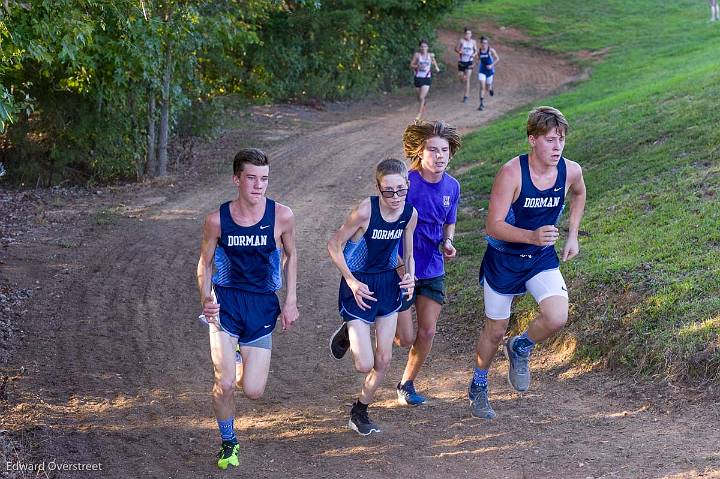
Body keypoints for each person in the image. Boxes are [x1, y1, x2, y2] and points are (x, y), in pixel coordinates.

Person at [468, 106, 586, 420]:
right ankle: (479, 384)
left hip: (539, 259)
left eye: (561, 139)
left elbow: (579, 192)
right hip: (503, 260)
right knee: (494, 331)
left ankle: (521, 346)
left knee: (557, 316)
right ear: (532, 139)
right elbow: (493, 225)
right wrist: (532, 236)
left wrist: (572, 234)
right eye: (549, 140)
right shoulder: (512, 173)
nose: (557, 146)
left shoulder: (570, 170)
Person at [196, 148, 299, 469]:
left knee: (253, 390)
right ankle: (228, 442)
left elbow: (292, 255)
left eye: (264, 179)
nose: (258, 185)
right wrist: (205, 299)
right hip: (225, 306)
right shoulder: (216, 220)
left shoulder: (282, 216)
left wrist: (291, 300)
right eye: (251, 178)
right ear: (236, 179)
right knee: (224, 384)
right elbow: (204, 263)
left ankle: (239, 359)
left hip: (262, 306)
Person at [327, 158, 417, 435]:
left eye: (401, 190)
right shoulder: (365, 211)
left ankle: (359, 411)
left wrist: (410, 277)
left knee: (384, 359)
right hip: (360, 285)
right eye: (388, 191)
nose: (395, 197)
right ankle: (347, 330)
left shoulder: (409, 214)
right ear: (378, 189)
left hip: (388, 284)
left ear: (407, 186)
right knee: (363, 363)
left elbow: (409, 253)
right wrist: (351, 281)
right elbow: (334, 244)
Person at [394, 120, 462, 406]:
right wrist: (396, 265)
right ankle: (356, 324)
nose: (439, 156)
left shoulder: (452, 186)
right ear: (419, 152)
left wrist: (448, 242)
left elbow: (449, 223)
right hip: (400, 265)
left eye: (444, 150)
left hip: (433, 266)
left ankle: (406, 384)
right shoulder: (406, 184)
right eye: (432, 150)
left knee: (428, 330)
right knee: (404, 339)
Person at [410, 39, 440, 121]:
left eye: (425, 47)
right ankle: (423, 104)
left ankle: (419, 115)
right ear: (420, 47)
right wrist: (417, 67)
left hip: (426, 78)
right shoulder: (417, 55)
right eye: (422, 47)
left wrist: (436, 67)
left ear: (428, 47)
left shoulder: (430, 55)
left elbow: (434, 62)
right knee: (418, 98)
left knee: (421, 96)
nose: (423, 48)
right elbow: (411, 65)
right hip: (417, 77)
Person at [477, 36, 500, 111]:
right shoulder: (479, 51)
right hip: (482, 71)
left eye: (485, 43)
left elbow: (497, 59)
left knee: (487, 87)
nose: (484, 44)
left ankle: (490, 88)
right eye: (483, 43)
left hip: (490, 71)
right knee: (482, 87)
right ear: (480, 43)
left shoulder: (491, 50)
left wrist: (491, 65)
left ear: (487, 43)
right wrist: (474, 63)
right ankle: (481, 104)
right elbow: (477, 60)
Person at [455, 27, 478, 103]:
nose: (468, 35)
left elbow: (476, 51)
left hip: (469, 62)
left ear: (471, 34)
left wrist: (474, 55)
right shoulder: (461, 41)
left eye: (469, 33)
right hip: (461, 61)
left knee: (467, 79)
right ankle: (463, 78)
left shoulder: (473, 42)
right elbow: (456, 49)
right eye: (466, 33)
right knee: (461, 77)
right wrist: (460, 52)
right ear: (464, 34)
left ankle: (466, 96)